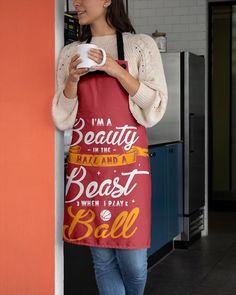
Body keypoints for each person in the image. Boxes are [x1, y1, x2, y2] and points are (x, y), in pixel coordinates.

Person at [52, 0, 168, 294]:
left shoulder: (140, 46)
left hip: (128, 172)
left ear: (106, 0)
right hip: (89, 172)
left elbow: (155, 106)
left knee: (135, 263)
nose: (76, 3)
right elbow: (62, 116)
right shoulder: (69, 53)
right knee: (102, 261)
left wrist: (116, 70)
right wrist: (72, 82)